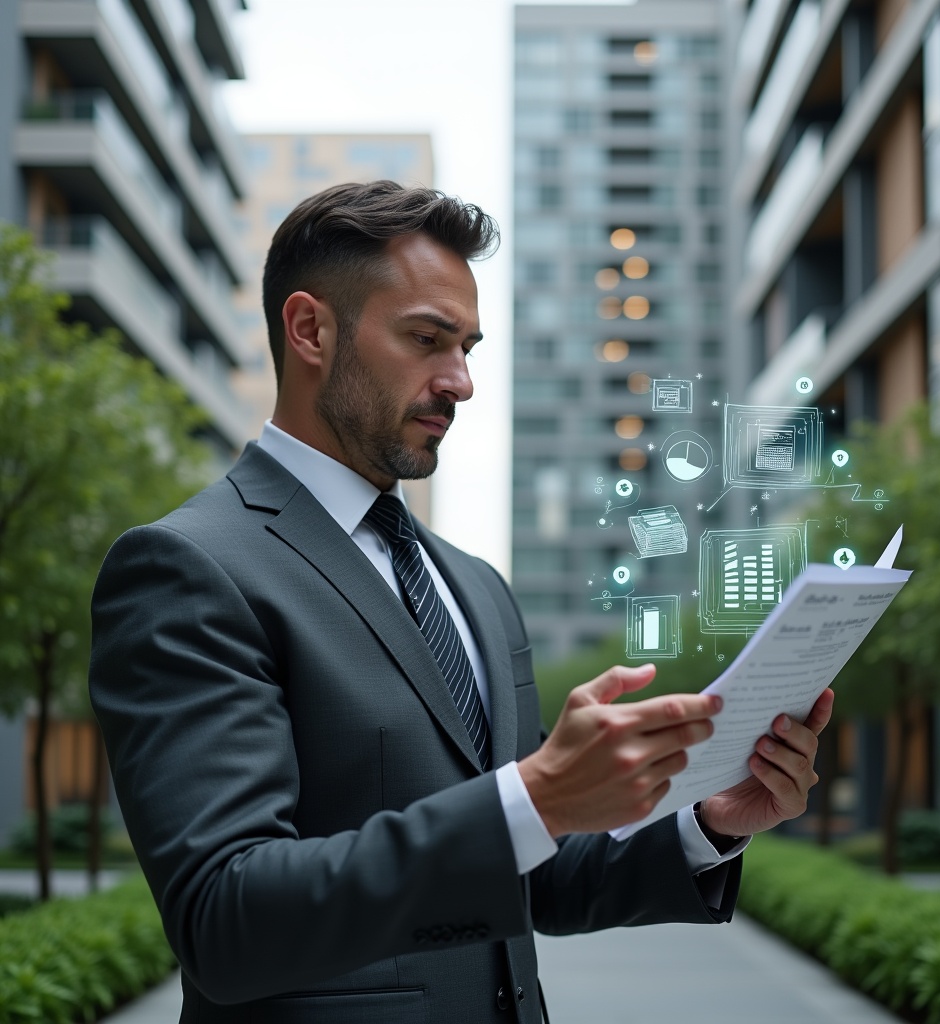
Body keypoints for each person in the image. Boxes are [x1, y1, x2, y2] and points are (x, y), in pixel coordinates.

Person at [89, 181, 832, 1024]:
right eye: (427, 339)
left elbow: (534, 873)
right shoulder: (189, 568)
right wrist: (537, 796)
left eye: (469, 347)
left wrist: (706, 821)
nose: (461, 381)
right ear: (310, 331)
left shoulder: (474, 587)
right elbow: (227, 920)